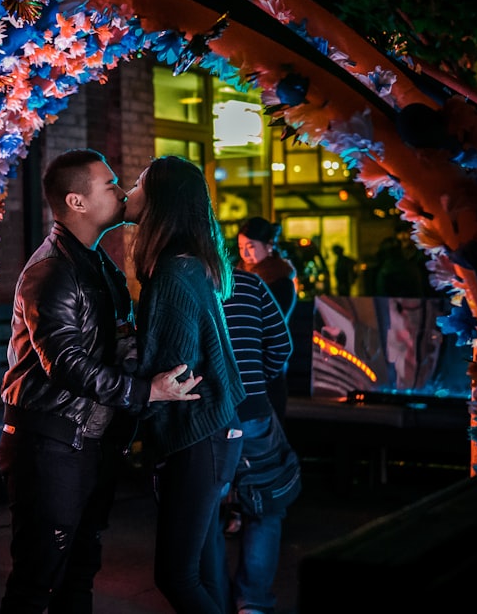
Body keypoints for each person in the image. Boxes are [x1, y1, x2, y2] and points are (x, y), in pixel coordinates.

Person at [0, 148, 200, 614]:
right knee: (37, 578)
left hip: (85, 443)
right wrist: (146, 391)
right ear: (77, 202)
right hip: (49, 444)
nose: (122, 189)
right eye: (109, 184)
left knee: (78, 572)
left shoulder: (95, 263)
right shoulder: (53, 269)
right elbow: (63, 362)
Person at [125, 155, 246, 613]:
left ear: (160, 202)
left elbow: (171, 372)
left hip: (198, 433)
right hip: (214, 429)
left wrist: (134, 395)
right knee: (203, 564)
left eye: (137, 185)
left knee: (175, 574)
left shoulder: (172, 274)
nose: (128, 193)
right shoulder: (189, 263)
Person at [223, 268, 294, 614]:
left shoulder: (174, 280)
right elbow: (282, 345)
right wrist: (256, 382)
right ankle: (252, 603)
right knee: (264, 509)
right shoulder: (250, 284)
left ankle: (208, 596)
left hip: (201, 415)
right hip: (253, 410)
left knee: (201, 511)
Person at [237, 216, 298, 422]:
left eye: (251, 246)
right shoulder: (236, 278)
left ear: (269, 246)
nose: (245, 253)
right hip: (241, 370)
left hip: (267, 369)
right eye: (241, 247)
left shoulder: (281, 282)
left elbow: (275, 333)